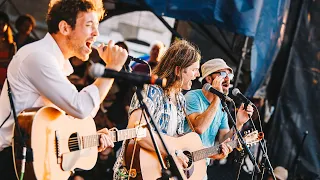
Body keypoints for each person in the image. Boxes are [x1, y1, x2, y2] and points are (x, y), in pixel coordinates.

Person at [0, 0, 128, 179]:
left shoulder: (56, 63)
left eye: (97, 26)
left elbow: (69, 117)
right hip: (12, 161)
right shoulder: (38, 57)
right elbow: (80, 107)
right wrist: (112, 69)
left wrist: (89, 137)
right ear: (65, 28)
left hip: (33, 156)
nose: (96, 33)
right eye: (89, 25)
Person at [113, 40, 231, 179]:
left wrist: (211, 152)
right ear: (178, 70)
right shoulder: (151, 91)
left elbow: (178, 143)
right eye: (194, 69)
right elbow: (136, 130)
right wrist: (173, 153)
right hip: (134, 173)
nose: (197, 75)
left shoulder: (180, 99)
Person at [184, 58, 254, 178]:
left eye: (229, 75)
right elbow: (199, 127)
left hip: (201, 169)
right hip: (183, 163)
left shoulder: (222, 109)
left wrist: (239, 123)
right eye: (222, 74)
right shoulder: (193, 96)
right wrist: (217, 97)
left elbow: (224, 139)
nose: (227, 79)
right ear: (209, 78)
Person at [0, 11, 16, 89]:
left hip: (5, 81)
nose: (1, 26)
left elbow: (12, 63)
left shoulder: (11, 45)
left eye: (3, 24)